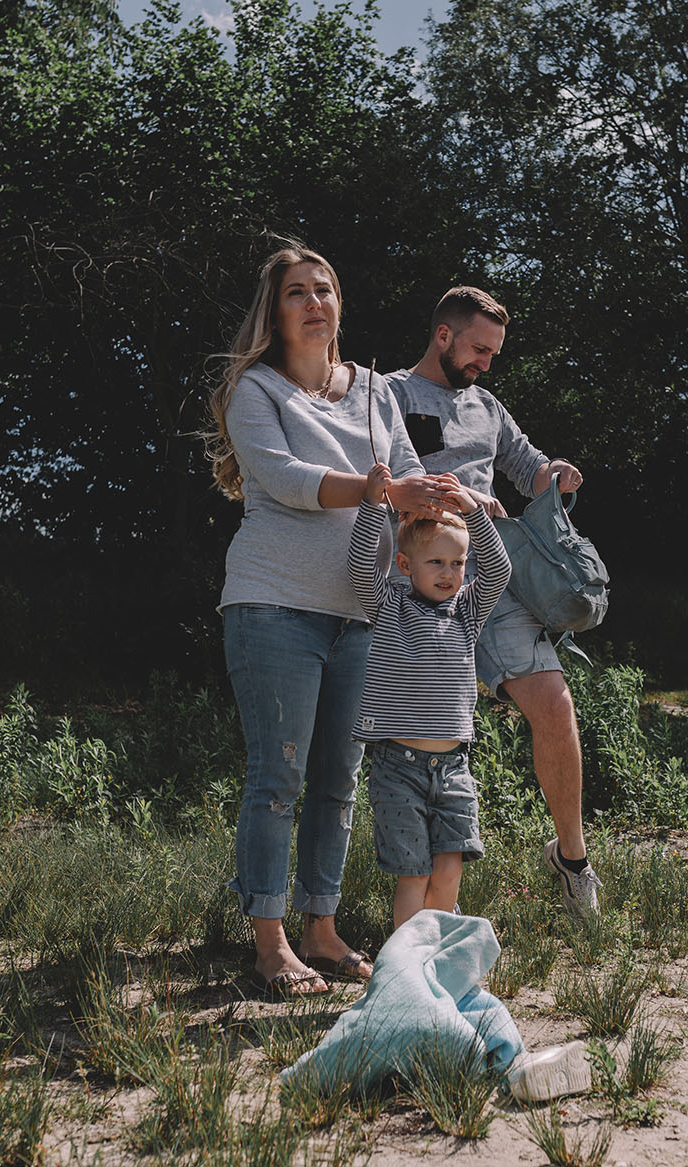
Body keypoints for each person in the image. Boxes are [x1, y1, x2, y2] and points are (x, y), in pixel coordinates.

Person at [206, 244, 461, 999]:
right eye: (296, 293)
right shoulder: (256, 389)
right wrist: (382, 492)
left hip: (361, 610)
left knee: (337, 781)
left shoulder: (377, 391)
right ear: (274, 311)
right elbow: (284, 482)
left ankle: (320, 927)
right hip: (273, 602)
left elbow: (412, 467)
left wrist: (448, 497)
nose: (314, 302)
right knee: (277, 776)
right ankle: (269, 940)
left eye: (325, 289)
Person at [388, 286, 603, 917]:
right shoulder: (393, 396)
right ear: (444, 336)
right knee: (406, 743)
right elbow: (381, 478)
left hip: (493, 575)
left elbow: (527, 466)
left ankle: (571, 860)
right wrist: (456, 500)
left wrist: (555, 475)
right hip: (415, 586)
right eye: (480, 348)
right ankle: (402, 903)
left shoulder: (488, 405)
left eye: (495, 352)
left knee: (556, 707)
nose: (486, 361)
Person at [346, 463, 511, 929]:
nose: (448, 573)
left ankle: (434, 960)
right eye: (436, 562)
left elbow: (499, 570)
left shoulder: (466, 611)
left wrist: (472, 510)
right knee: (413, 874)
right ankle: (405, 969)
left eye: (457, 563)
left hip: (454, 768)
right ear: (405, 566)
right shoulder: (389, 604)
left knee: (449, 870)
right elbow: (361, 566)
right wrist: (373, 504)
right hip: (398, 767)